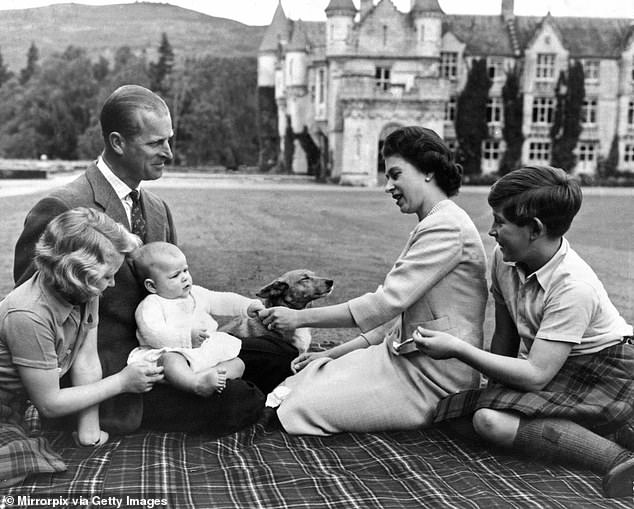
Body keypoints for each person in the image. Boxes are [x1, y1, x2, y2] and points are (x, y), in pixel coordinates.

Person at [13, 84, 268, 435]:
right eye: (155, 143)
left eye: (169, 140)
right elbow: (36, 319)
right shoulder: (62, 207)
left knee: (272, 353)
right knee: (240, 399)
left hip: (167, 356)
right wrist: (107, 389)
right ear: (117, 142)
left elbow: (175, 295)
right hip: (110, 380)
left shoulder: (157, 210)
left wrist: (199, 342)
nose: (169, 152)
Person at [415, 165, 634, 498]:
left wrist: (458, 349)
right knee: (454, 413)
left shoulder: (574, 286)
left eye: (501, 222)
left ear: (534, 229)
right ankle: (601, 434)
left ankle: (619, 460)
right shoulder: (503, 259)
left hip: (608, 369)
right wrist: (493, 390)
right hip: (555, 368)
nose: (491, 231)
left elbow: (534, 376)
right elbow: (505, 336)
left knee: (489, 421)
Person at [259, 126, 489, 435]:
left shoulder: (446, 227)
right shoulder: (434, 222)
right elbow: (391, 319)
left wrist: (299, 318)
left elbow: (383, 305)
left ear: (428, 172)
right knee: (307, 375)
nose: (388, 186)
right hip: (400, 360)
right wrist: (330, 353)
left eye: (395, 175)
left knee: (298, 408)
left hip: (433, 380)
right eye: (387, 177)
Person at [0, 208, 163, 487]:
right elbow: (50, 404)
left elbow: (86, 359)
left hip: (14, 407)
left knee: (28, 450)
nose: (112, 283)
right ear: (74, 273)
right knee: (20, 458)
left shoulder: (84, 289)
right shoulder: (28, 314)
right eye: (107, 276)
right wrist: (123, 381)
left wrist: (89, 429)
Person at [130, 242, 265, 396]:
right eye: (175, 275)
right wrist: (186, 337)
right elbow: (153, 333)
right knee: (170, 361)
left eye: (185, 270)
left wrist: (246, 306)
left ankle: (212, 377)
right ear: (152, 286)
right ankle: (195, 384)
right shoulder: (152, 304)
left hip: (202, 350)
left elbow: (221, 300)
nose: (185, 278)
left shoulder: (196, 293)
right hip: (172, 350)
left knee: (238, 364)